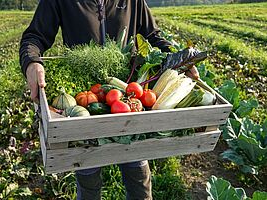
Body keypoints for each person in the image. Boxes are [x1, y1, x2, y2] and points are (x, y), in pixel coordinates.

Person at [19, 0, 199, 199]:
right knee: (88, 176)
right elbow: (34, 36)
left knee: (138, 173)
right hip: (85, 101)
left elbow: (152, 35)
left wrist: (179, 59)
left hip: (128, 97)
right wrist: (32, 63)